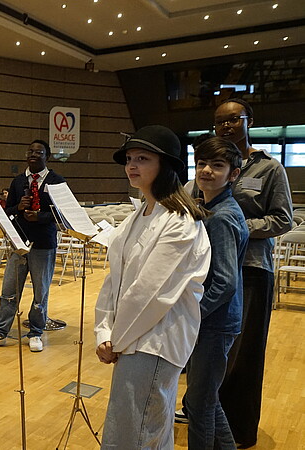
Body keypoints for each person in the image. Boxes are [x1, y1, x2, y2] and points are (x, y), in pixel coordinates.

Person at [94, 125, 211, 448]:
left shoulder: (181, 221)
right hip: (132, 337)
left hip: (157, 340)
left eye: (142, 158)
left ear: (167, 165)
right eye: (129, 158)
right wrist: (104, 332)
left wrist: (115, 339)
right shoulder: (138, 215)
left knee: (135, 435)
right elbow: (114, 280)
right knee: (145, 433)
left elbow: (150, 292)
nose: (132, 165)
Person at [214, 98, 292, 448]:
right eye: (219, 122)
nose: (226, 127)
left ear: (249, 122)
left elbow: (283, 218)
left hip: (252, 269)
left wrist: (240, 225)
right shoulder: (212, 165)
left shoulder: (270, 169)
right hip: (214, 269)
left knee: (245, 354)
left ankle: (240, 430)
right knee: (216, 349)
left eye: (233, 120)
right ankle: (210, 414)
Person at [184, 137, 249, 449]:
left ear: (233, 175)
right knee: (204, 400)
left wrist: (191, 314)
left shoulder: (222, 216)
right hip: (212, 321)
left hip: (215, 322)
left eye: (217, 166)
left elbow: (224, 282)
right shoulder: (210, 208)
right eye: (201, 164)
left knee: (198, 404)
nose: (206, 171)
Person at [0, 139, 65, 353]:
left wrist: (40, 216)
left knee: (40, 292)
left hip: (43, 244)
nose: (33, 155)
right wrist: (18, 206)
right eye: (30, 151)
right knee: (9, 290)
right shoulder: (18, 182)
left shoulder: (56, 181)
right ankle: (0, 332)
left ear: (48, 156)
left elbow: (62, 214)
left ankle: (36, 332)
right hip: (19, 243)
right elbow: (7, 213)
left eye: (39, 152)